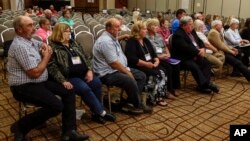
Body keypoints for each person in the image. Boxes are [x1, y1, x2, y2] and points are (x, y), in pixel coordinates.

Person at [7, 16, 88, 141]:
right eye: (29, 26)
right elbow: (35, 73)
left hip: (40, 82)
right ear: (19, 29)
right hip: (23, 86)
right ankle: (20, 126)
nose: (34, 28)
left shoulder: (30, 41)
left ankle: (69, 131)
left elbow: (42, 44)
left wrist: (46, 47)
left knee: (69, 91)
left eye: (33, 25)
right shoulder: (19, 46)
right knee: (56, 106)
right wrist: (46, 56)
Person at [48, 23, 116, 124]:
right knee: (84, 88)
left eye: (69, 31)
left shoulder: (74, 43)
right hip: (69, 77)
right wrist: (62, 80)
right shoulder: (53, 48)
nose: (69, 33)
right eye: (66, 31)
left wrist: (89, 70)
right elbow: (52, 67)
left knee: (96, 83)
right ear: (59, 33)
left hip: (83, 73)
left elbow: (86, 57)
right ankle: (101, 112)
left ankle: (95, 114)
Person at [93, 18, 152, 114]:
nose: (120, 29)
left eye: (119, 26)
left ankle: (129, 103)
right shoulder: (105, 42)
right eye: (117, 27)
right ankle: (137, 104)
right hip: (107, 73)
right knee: (129, 79)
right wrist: (128, 73)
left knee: (141, 76)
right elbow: (114, 63)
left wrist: (121, 37)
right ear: (108, 28)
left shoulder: (111, 37)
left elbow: (114, 42)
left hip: (117, 69)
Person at [125, 21, 169, 106]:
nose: (146, 31)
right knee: (157, 74)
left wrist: (157, 60)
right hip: (138, 65)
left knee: (164, 71)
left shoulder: (145, 40)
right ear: (138, 30)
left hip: (149, 64)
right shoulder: (132, 41)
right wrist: (146, 64)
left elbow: (153, 54)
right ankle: (153, 98)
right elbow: (132, 59)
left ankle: (158, 95)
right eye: (144, 29)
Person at [171, 16, 219, 94]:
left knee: (206, 63)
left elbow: (200, 41)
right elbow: (186, 48)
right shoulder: (178, 34)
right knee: (194, 66)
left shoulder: (192, 31)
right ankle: (207, 84)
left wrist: (203, 49)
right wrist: (198, 52)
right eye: (190, 24)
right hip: (183, 58)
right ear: (183, 26)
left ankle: (202, 86)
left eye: (192, 24)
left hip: (194, 55)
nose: (192, 26)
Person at [146, 18, 180, 97]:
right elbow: (150, 52)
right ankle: (169, 90)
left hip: (164, 56)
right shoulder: (146, 38)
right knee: (168, 68)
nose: (157, 27)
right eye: (155, 25)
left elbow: (165, 47)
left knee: (176, 65)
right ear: (149, 27)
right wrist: (160, 57)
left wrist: (168, 54)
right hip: (156, 58)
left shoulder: (159, 35)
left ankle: (174, 87)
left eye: (157, 25)